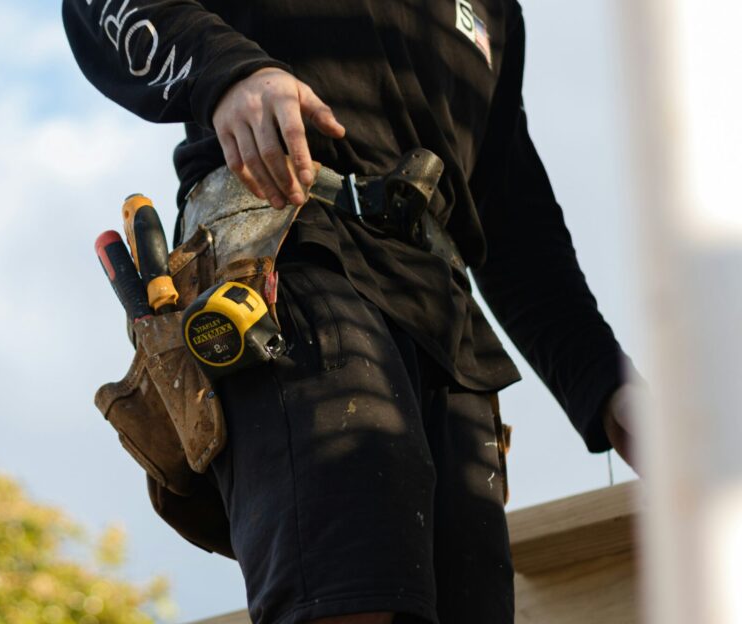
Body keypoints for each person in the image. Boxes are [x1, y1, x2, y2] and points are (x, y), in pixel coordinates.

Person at [63, 2, 639, 623]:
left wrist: (606, 385)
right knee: (349, 603)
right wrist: (226, 72)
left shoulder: (496, 14)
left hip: (448, 336)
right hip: (290, 258)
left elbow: (511, 220)